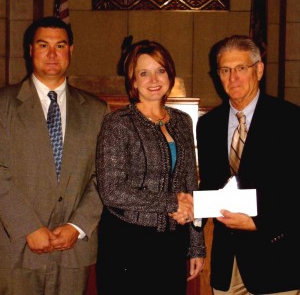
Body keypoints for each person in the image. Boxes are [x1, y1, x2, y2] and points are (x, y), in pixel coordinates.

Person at [0, 16, 110, 294]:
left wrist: (77, 225)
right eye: (43, 45)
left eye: (60, 46)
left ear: (71, 51)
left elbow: (105, 177)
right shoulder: (3, 105)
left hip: (73, 252)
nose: (52, 54)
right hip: (15, 249)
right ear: (30, 50)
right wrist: (28, 226)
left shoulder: (96, 110)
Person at [95, 39, 206, 295]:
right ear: (133, 80)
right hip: (128, 242)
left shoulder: (182, 121)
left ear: (170, 74)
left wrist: (196, 245)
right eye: (143, 73)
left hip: (173, 244)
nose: (153, 79)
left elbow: (190, 185)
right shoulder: (117, 123)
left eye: (160, 70)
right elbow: (112, 191)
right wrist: (171, 203)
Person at [196, 35, 300, 295]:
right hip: (226, 266)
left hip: (276, 260)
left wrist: (260, 223)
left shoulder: (290, 120)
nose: (234, 78)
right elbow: (210, 185)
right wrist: (193, 214)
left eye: (241, 68)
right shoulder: (208, 125)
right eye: (225, 70)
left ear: (259, 70)